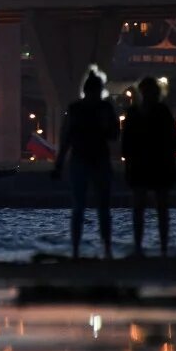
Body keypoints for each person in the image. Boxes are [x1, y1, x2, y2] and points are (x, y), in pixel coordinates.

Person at [53, 67, 119, 259]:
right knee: (97, 208)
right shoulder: (104, 108)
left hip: (84, 160)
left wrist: (59, 164)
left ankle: (78, 250)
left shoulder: (77, 108)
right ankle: (104, 249)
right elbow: (114, 136)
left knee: (82, 207)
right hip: (93, 160)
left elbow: (66, 138)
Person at [120, 77, 176, 257]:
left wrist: (128, 165)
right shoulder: (162, 111)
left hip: (142, 163)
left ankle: (139, 246)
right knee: (160, 207)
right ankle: (162, 247)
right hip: (159, 162)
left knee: (141, 207)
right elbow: (172, 140)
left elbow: (127, 142)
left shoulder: (135, 112)